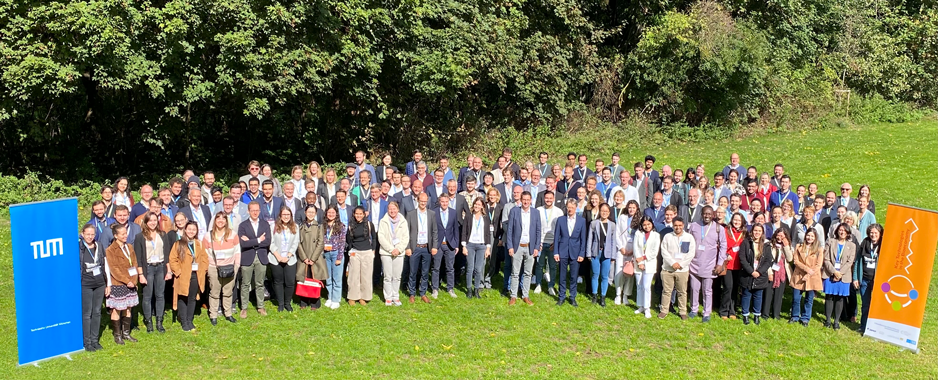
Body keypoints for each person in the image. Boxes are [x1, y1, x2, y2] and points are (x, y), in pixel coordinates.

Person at [200, 212, 241, 325]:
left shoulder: (233, 234)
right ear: (215, 221)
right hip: (214, 267)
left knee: (228, 292)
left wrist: (236, 266)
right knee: (214, 292)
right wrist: (208, 268)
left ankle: (228, 313)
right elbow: (204, 253)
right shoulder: (208, 236)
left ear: (226, 222)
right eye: (218, 219)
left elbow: (237, 251)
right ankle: (213, 314)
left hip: (230, 267)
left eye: (223, 219)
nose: (221, 221)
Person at [687, 206, 726, 322]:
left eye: (709, 214)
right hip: (694, 263)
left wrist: (720, 263)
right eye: (705, 214)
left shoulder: (719, 228)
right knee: (694, 288)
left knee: (707, 290)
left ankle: (706, 312)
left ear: (713, 215)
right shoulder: (694, 226)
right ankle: (694, 309)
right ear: (701, 214)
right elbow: (687, 242)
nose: (707, 216)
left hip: (710, 265)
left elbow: (723, 246)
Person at [132, 212, 170, 333]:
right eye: (150, 221)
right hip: (147, 268)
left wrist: (168, 271)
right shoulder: (139, 237)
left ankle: (159, 321)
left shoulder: (163, 235)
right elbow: (138, 258)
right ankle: (148, 321)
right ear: (146, 222)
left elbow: (167, 254)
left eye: (155, 220)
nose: (153, 223)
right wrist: (141, 275)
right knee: (147, 296)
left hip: (160, 267)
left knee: (160, 295)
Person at [104, 224, 141, 344]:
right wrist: (127, 281)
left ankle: (126, 333)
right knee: (117, 309)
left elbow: (134, 263)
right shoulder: (110, 250)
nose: (126, 236)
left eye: (126, 233)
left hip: (131, 282)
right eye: (123, 234)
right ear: (115, 236)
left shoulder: (129, 247)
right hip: (118, 284)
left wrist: (134, 280)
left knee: (128, 308)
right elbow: (114, 269)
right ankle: (117, 335)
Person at [168, 222, 209, 331]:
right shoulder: (178, 244)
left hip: (196, 275)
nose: (191, 231)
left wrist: (203, 269)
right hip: (183, 275)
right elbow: (172, 259)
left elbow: (204, 258)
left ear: (196, 231)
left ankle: (190, 320)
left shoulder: (199, 244)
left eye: (194, 229)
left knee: (192, 298)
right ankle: (184, 321)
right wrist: (178, 272)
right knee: (182, 297)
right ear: (185, 230)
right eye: (189, 229)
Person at [506, 191, 541, 305]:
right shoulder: (514, 211)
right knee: (515, 273)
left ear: (531, 200)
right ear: (520, 200)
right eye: (524, 199)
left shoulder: (535, 212)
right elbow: (510, 230)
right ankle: (513, 296)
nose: (526, 202)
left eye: (528, 200)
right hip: (517, 246)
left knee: (528, 273)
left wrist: (536, 247)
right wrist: (510, 246)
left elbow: (538, 231)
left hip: (530, 247)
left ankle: (525, 295)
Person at [237, 201, 271, 318]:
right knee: (245, 284)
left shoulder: (265, 224)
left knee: (260, 283)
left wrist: (250, 241)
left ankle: (260, 306)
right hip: (247, 257)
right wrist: (258, 240)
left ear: (260, 211)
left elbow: (267, 241)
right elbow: (242, 243)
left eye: (257, 210)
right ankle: (244, 308)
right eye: (253, 210)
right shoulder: (243, 225)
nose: (255, 212)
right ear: (248, 211)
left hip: (261, 257)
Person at [658, 217, 695, 319]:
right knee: (666, 291)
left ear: (683, 225)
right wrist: (672, 263)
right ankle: (664, 310)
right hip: (668, 269)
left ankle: (682, 311)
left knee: (682, 292)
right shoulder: (667, 237)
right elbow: (663, 251)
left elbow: (691, 253)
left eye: (680, 225)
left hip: (682, 270)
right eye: (675, 225)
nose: (678, 227)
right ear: (673, 225)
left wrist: (681, 264)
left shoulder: (689, 237)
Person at [823, 224, 857, 330]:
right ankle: (828, 320)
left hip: (844, 275)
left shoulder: (852, 245)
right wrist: (834, 272)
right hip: (830, 273)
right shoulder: (830, 241)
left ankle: (836, 321)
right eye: (840, 230)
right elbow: (826, 258)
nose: (842, 232)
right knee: (829, 296)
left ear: (848, 233)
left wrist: (840, 273)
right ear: (837, 231)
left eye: (844, 230)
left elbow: (850, 262)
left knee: (840, 298)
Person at [553, 199, 587, 307]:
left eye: (572, 208)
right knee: (562, 276)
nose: (570, 210)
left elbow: (583, 239)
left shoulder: (581, 221)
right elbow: (556, 237)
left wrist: (582, 254)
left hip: (575, 252)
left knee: (573, 276)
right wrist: (556, 252)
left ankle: (572, 297)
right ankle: (561, 297)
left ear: (576, 208)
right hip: (563, 251)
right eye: (568, 207)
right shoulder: (561, 220)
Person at [738, 224, 773, 325]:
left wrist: (759, 272)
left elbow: (768, 261)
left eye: (759, 231)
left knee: (758, 296)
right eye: (755, 230)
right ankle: (745, 315)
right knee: (746, 295)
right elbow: (742, 259)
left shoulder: (766, 245)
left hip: (760, 275)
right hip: (747, 274)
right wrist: (751, 271)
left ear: (762, 233)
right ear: (752, 231)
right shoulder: (746, 243)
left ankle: (757, 315)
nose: (757, 233)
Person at [79, 224, 107, 351]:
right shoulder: (79, 248)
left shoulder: (99, 246)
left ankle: (95, 340)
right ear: (82, 234)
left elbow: (105, 264)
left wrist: (108, 284)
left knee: (97, 312)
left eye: (92, 234)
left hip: (100, 283)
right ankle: (87, 342)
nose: (90, 237)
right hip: (86, 284)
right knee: (87, 313)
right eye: (87, 234)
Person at [378, 202, 409, 306]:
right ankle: (388, 297)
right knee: (387, 276)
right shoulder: (383, 221)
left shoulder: (403, 221)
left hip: (399, 253)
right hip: (386, 252)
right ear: (387, 210)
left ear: (398, 209)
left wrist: (398, 249)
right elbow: (381, 237)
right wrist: (391, 249)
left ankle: (395, 297)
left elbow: (406, 238)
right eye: (390, 209)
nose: (392, 211)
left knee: (397, 276)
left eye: (394, 209)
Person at [461, 198, 493, 299]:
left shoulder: (486, 218)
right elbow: (464, 231)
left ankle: (476, 289)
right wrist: (464, 246)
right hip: (470, 245)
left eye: (479, 205)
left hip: (481, 245)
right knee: (470, 268)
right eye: (475, 204)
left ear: (482, 206)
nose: (477, 206)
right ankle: (469, 289)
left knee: (478, 269)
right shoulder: (469, 216)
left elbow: (488, 234)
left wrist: (488, 248)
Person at [295, 205, 325, 310]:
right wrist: (304, 257)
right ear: (305, 213)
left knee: (314, 279)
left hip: (314, 259)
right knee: (303, 279)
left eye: (313, 212)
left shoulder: (319, 227)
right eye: (309, 212)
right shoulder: (300, 227)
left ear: (316, 214)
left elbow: (321, 243)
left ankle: (314, 302)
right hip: (303, 258)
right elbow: (297, 242)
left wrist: (313, 258)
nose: (310, 214)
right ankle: (303, 301)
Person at [856, 223, 884, 333]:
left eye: (876, 233)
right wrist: (856, 278)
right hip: (865, 280)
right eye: (871, 233)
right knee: (865, 304)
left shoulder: (883, 245)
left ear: (880, 234)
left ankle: (876, 329)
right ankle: (863, 327)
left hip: (878, 281)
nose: (873, 235)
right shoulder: (865, 243)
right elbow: (858, 262)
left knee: (877, 305)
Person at [432, 194, 460, 298]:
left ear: (449, 202)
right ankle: (435, 288)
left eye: (446, 202)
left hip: (450, 244)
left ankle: (450, 288)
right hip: (438, 244)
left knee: (450, 268)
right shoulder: (434, 212)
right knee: (436, 268)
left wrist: (456, 244)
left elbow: (455, 229)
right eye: (442, 201)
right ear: (440, 202)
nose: (444, 204)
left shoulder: (453, 212)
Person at [346, 206, 376, 305]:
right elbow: (349, 240)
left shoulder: (369, 224)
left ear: (364, 214)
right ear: (354, 214)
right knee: (353, 276)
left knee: (366, 276)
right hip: (355, 252)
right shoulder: (350, 226)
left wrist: (373, 251)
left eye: (360, 214)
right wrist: (350, 251)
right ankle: (353, 297)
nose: (358, 216)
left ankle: (364, 297)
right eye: (356, 214)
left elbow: (374, 238)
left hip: (367, 252)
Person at [534, 191, 562, 295]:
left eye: (550, 198)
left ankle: (551, 286)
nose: (548, 200)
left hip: (553, 243)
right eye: (546, 198)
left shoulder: (558, 212)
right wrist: (538, 243)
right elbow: (535, 227)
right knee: (539, 265)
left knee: (552, 266)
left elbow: (560, 229)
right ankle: (538, 284)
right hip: (541, 242)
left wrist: (556, 243)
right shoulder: (538, 210)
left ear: (553, 199)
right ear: (544, 198)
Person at [613, 201, 640, 306]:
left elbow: (639, 237)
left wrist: (634, 250)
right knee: (619, 272)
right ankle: (618, 294)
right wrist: (621, 248)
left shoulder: (640, 220)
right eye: (630, 207)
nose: (631, 210)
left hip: (633, 249)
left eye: (633, 208)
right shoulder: (622, 218)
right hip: (622, 248)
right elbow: (617, 234)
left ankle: (625, 296)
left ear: (637, 208)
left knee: (629, 272)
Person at [762, 229, 793, 320]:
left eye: (782, 236)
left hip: (782, 274)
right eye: (778, 235)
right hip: (771, 272)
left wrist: (786, 246)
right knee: (768, 294)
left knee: (779, 295)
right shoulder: (770, 245)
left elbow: (790, 259)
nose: (780, 238)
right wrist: (769, 273)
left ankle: (776, 314)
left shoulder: (787, 246)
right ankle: (765, 314)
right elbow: (766, 260)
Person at [721, 212, 746, 320]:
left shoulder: (745, 233)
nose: (737, 222)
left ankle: (732, 310)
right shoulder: (726, 231)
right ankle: (724, 310)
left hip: (739, 265)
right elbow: (721, 245)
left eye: (739, 221)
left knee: (735, 288)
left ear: (742, 222)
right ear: (731, 220)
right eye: (735, 220)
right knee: (728, 287)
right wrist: (726, 255)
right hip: (728, 264)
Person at [321, 206, 347, 309]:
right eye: (329, 212)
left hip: (336, 253)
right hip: (326, 254)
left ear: (336, 214)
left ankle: (336, 299)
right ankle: (330, 297)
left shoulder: (341, 226)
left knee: (337, 278)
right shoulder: (323, 226)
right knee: (328, 277)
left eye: (333, 212)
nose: (331, 214)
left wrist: (339, 257)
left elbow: (342, 243)